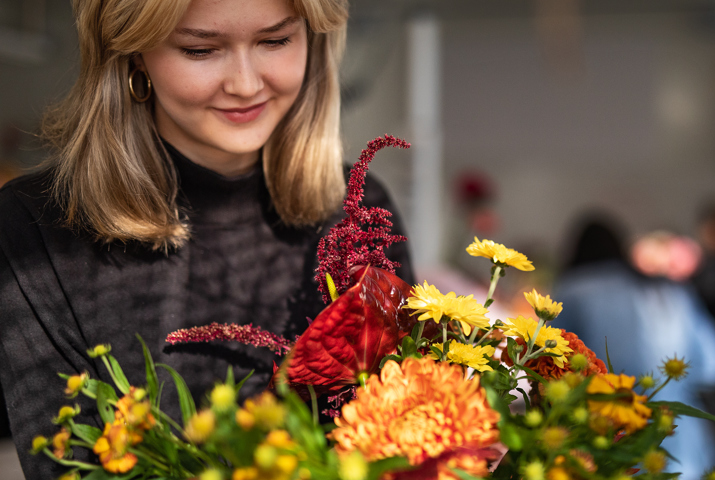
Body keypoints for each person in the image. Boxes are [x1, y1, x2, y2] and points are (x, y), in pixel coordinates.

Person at [0, 0, 413, 476]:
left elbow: (402, 433)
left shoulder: (359, 215)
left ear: (314, 39)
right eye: (200, 50)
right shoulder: (35, 230)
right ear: (132, 52)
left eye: (275, 40)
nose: (244, 84)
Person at [552, 216, 715, 479]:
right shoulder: (672, 291)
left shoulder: (571, 292)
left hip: (606, 444)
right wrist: (670, 385)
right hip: (682, 447)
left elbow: (549, 361)